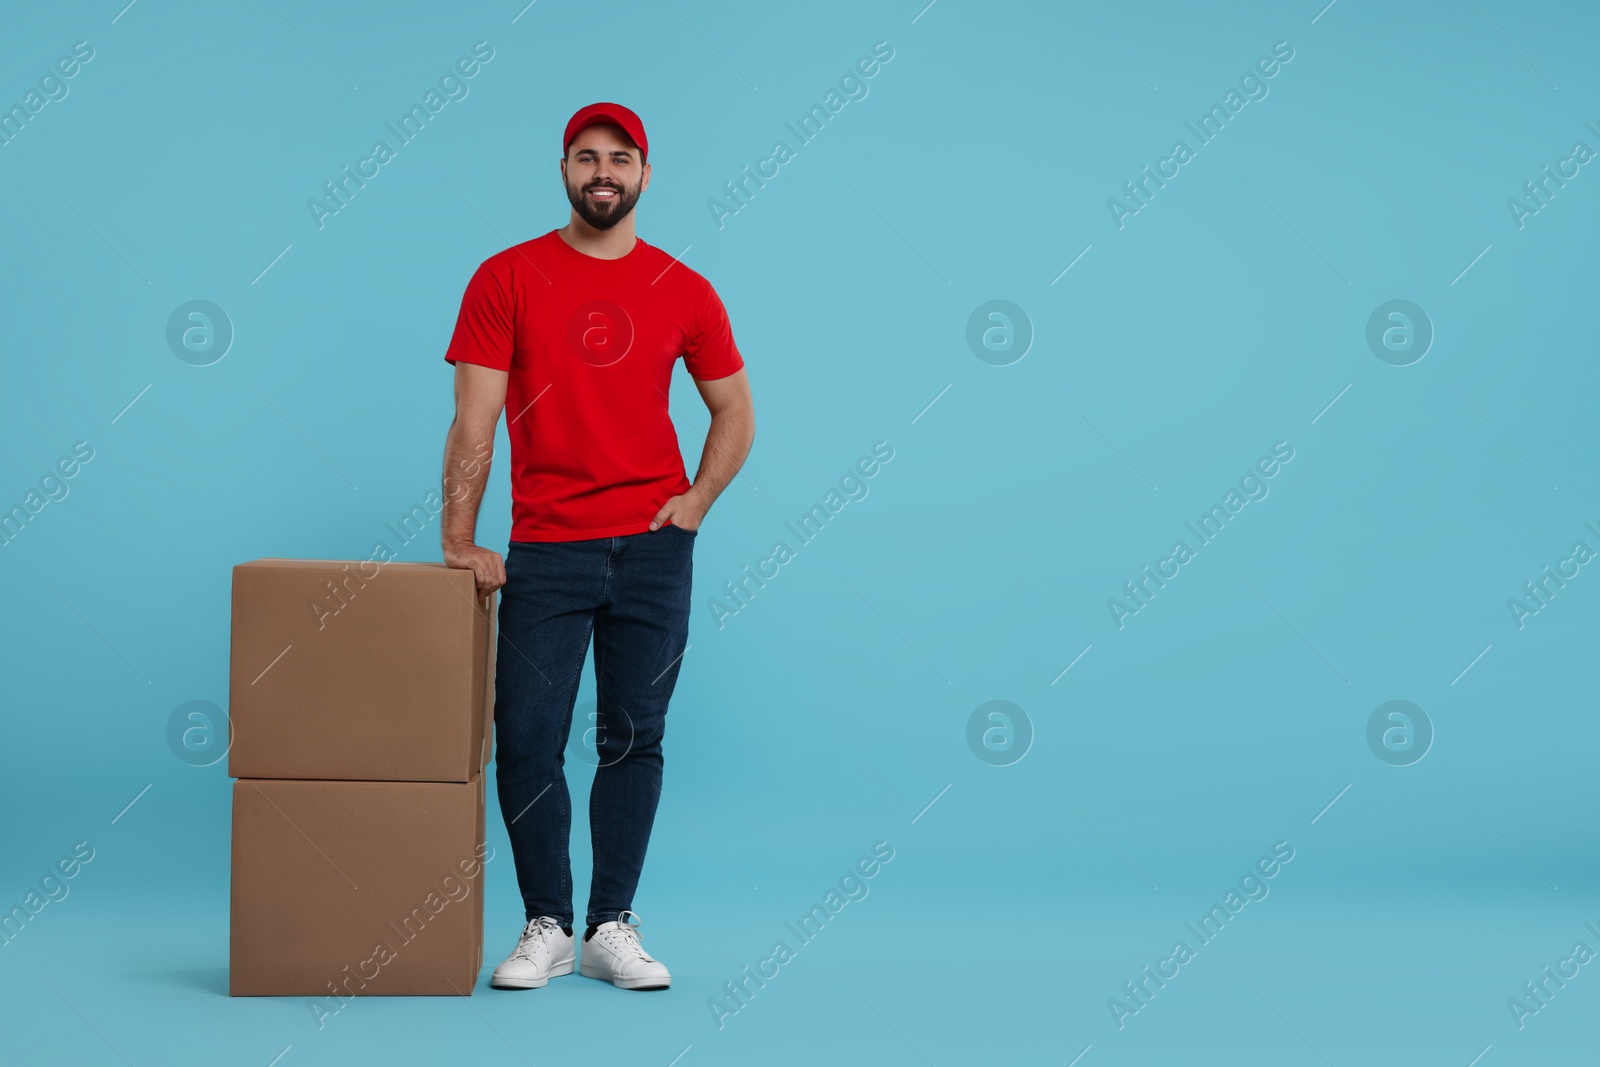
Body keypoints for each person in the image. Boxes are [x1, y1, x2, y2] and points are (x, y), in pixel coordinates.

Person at [438, 102, 755, 992]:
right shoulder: (507, 277)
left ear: (646, 175)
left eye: (620, 158)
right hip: (548, 546)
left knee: (633, 736)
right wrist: (459, 538)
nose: (602, 171)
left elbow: (735, 410)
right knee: (529, 738)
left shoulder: (683, 288)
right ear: (565, 169)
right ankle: (549, 924)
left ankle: (613, 922)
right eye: (586, 157)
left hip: (654, 551)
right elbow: (476, 419)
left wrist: (694, 503)